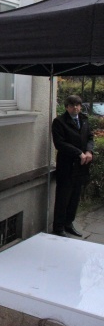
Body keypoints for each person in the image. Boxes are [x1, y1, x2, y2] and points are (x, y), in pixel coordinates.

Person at [51, 95, 94, 237]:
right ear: (66, 107)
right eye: (72, 105)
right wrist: (79, 153)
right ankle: (58, 227)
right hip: (67, 167)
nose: (75, 107)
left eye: (77, 105)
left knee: (74, 198)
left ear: (81, 106)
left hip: (81, 167)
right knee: (63, 198)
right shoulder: (59, 122)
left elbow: (90, 137)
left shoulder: (84, 119)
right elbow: (60, 144)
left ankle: (69, 223)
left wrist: (88, 151)